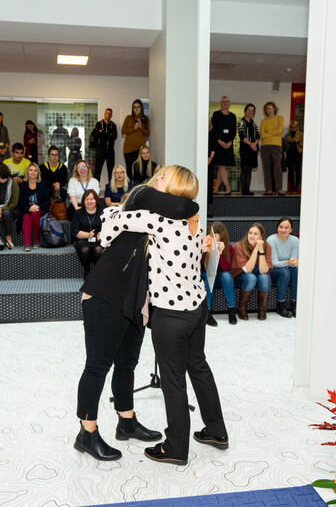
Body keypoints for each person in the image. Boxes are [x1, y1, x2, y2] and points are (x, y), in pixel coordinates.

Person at [100, 165, 227, 466]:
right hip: (197, 307)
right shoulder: (195, 218)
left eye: (163, 176)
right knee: (199, 368)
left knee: (173, 381)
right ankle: (216, 431)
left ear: (173, 188)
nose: (157, 178)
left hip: (171, 314)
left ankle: (176, 448)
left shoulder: (157, 220)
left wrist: (114, 211)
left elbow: (107, 231)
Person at [75, 182, 196, 462]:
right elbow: (185, 205)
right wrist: (179, 196)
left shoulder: (158, 221)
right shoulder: (142, 195)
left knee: (127, 364)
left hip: (135, 302)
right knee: (97, 367)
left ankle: (126, 422)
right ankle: (86, 434)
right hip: (106, 296)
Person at [231, 223, 272, 320]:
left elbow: (263, 271)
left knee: (265, 278)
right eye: (250, 233)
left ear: (261, 236)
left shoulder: (267, 246)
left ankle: (262, 309)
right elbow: (248, 270)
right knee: (251, 278)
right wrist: (255, 250)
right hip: (241, 275)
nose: (252, 236)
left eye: (255, 234)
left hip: (258, 273)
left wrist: (261, 250)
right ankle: (242, 308)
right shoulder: (239, 246)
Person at [202, 221, 237, 326]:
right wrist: (209, 252)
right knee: (209, 276)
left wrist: (220, 254)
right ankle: (207, 311)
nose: (212, 238)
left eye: (215, 236)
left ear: (221, 236)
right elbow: (205, 268)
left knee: (227, 276)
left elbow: (225, 269)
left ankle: (231, 309)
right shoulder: (204, 246)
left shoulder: (229, 247)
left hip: (220, 274)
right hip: (206, 274)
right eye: (211, 236)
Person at [267, 218, 299, 318]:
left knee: (296, 270)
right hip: (273, 270)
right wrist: (289, 262)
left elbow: (293, 260)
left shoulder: (295, 241)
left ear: (291, 230)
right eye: (281, 227)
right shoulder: (271, 240)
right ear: (277, 228)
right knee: (285, 272)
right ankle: (280, 305)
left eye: (286, 227)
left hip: (288, 268)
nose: (283, 230)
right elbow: (274, 263)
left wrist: (294, 262)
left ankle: (295, 303)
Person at [71, 189, 104, 278]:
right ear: (83, 201)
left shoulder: (103, 212)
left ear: (96, 200)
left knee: (98, 250)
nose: (89, 201)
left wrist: (101, 234)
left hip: (98, 239)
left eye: (92, 199)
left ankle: (97, 271)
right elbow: (75, 231)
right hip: (82, 239)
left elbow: (108, 227)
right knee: (85, 249)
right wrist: (88, 235)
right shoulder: (78, 213)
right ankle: (87, 270)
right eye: (87, 199)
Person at [18, 163, 50, 252]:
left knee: (35, 213)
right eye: (31, 170)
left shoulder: (43, 185)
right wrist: (29, 209)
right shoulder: (23, 186)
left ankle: (36, 241)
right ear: (27, 172)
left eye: (35, 171)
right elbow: (21, 203)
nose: (33, 172)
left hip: (40, 210)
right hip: (27, 210)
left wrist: (38, 207)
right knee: (26, 217)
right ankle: (27, 244)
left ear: (38, 173)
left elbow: (47, 202)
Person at [211, 96, 237, 195]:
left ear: (229, 103)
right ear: (220, 103)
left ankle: (216, 189)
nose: (225, 103)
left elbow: (234, 131)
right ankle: (228, 188)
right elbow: (213, 130)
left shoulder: (233, 116)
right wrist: (220, 142)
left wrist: (230, 142)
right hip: (218, 144)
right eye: (223, 101)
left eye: (226, 101)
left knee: (222, 167)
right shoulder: (216, 114)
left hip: (228, 145)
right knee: (222, 166)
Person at [260, 101, 284, 195]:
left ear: (274, 109)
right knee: (266, 168)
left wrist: (268, 132)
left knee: (277, 167)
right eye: (267, 109)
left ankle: (279, 189)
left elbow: (279, 131)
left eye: (270, 108)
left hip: (276, 146)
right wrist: (274, 131)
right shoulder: (263, 121)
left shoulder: (280, 118)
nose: (269, 110)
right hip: (265, 146)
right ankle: (269, 189)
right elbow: (262, 135)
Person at [121, 99, 149, 176]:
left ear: (141, 108)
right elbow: (123, 131)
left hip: (140, 149)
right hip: (128, 149)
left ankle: (139, 184)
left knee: (140, 170)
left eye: (138, 107)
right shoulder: (128, 117)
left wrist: (141, 127)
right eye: (134, 107)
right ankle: (130, 184)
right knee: (130, 170)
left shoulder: (146, 119)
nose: (136, 109)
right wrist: (134, 128)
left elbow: (147, 133)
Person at [237, 104, 259, 196]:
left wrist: (255, 144)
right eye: (249, 110)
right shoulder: (241, 122)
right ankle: (244, 191)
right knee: (244, 169)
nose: (250, 112)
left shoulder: (254, 123)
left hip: (253, 149)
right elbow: (242, 136)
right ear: (245, 111)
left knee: (249, 169)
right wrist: (251, 144)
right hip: (245, 148)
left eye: (252, 110)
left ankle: (248, 190)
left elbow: (258, 135)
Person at [91, 108, 117, 183]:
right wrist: (108, 135)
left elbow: (114, 137)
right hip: (100, 150)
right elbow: (96, 135)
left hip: (110, 150)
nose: (108, 115)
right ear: (104, 114)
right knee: (97, 170)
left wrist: (102, 133)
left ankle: (111, 187)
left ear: (111, 115)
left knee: (111, 171)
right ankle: (96, 187)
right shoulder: (99, 124)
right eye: (107, 113)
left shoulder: (113, 125)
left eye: (110, 114)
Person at [284, 119, 303, 194]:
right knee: (290, 171)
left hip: (298, 153)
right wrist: (289, 141)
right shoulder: (287, 135)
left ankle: (296, 188)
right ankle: (291, 187)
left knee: (298, 170)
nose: (293, 128)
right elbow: (285, 145)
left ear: (297, 127)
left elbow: (304, 144)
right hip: (290, 154)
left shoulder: (301, 134)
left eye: (294, 127)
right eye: (291, 127)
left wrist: (298, 141)